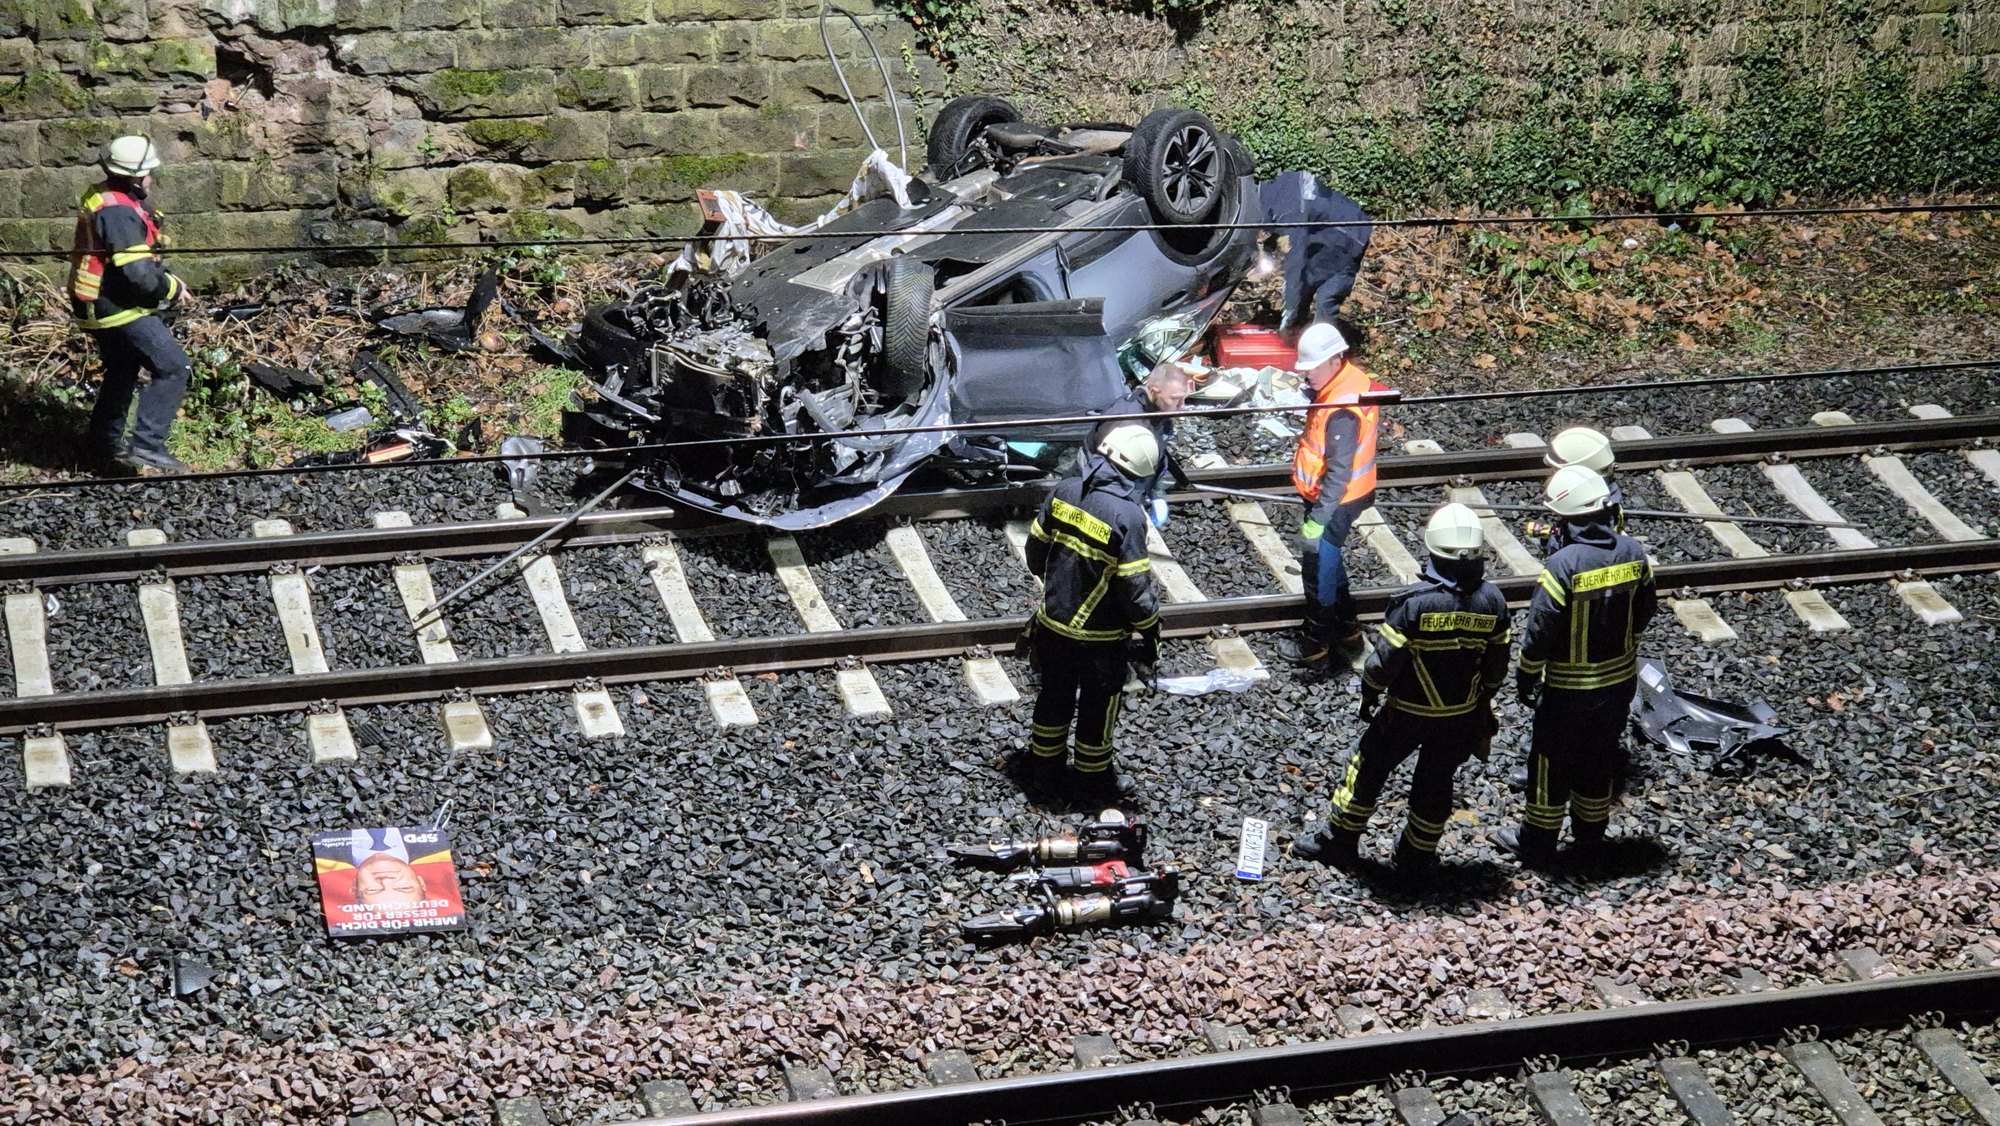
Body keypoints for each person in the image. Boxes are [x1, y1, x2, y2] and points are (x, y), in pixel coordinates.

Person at [1294, 503, 1511, 874]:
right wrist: (1483, 701)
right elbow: (1497, 664)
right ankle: (1417, 856)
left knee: (1366, 768)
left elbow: (1382, 664)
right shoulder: (1493, 601)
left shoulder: (1414, 604)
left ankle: (1340, 842)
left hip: (1407, 712)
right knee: (1436, 782)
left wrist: (1370, 693)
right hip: (1460, 716)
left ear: (1434, 552)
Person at [1495, 465, 1658, 868]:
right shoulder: (1633, 553)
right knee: (1598, 758)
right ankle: (1590, 838)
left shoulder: (1563, 565)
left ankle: (1537, 843)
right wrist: (1628, 645)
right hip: (1619, 683)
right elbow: (1646, 607)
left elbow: (1540, 630)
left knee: (1549, 762)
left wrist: (1527, 673)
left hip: (1568, 690)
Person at [1012, 422, 1163, 806]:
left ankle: (1044, 771)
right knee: (1099, 708)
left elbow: (1034, 552)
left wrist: (1061, 589)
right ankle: (1092, 781)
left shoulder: (1065, 491)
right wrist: (1150, 628)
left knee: (1053, 696)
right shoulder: (1127, 516)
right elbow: (1134, 591)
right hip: (1100, 641)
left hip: (1052, 625)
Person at [67, 135, 191, 475]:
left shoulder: (109, 197)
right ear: (135, 177)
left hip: (98, 300)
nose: (152, 178)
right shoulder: (119, 212)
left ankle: (102, 444)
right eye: (149, 172)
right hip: (115, 306)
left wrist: (165, 280)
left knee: (123, 369)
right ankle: (148, 446)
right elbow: (138, 275)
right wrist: (170, 288)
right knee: (173, 366)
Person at [1278, 322, 1380, 670]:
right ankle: (1348, 629)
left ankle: (1316, 642)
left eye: (1313, 368)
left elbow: (1338, 472)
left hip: (1335, 501)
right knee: (1330, 563)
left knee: (1318, 569)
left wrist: (1318, 520)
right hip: (1341, 496)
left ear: (1335, 360)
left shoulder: (1341, 409)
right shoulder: (1345, 383)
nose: (1307, 375)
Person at [1256, 171, 1373, 341]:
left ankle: (1323, 343)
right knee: (1307, 282)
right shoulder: (1277, 190)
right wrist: (1271, 243)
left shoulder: (1290, 212)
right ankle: (1297, 329)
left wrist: (1288, 315)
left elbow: (1295, 266)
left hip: (1350, 236)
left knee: (1327, 294)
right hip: (1329, 232)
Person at [1098, 358, 1196, 529]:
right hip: (1107, 492)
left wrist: (1156, 493)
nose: (1182, 406)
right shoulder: (1127, 422)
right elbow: (1111, 475)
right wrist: (1131, 510)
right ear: (1154, 391)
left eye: (1184, 399)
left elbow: (1155, 460)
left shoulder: (1159, 412)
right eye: (1176, 399)